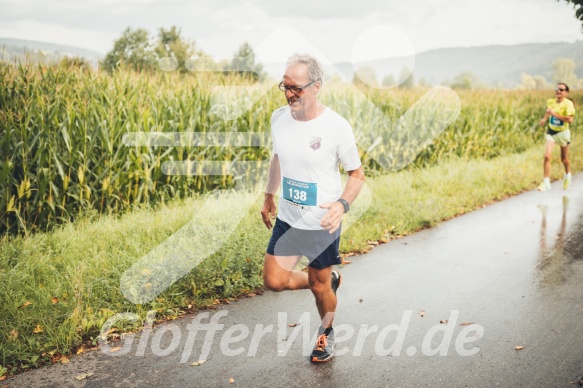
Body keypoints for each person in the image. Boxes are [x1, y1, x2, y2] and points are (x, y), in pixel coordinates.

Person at [260, 53, 365, 363]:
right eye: (285, 86)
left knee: (319, 291)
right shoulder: (278, 118)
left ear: (316, 86)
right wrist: (269, 194)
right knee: (274, 281)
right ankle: (327, 280)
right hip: (289, 219)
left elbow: (356, 175)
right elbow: (278, 157)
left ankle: (325, 336)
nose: (290, 93)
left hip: (322, 223)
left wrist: (342, 205)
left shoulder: (336, 126)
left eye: (296, 87)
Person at [537, 83, 576, 191]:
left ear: (566, 92)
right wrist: (544, 119)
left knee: (564, 159)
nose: (558, 91)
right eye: (557, 89)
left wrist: (555, 115)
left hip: (563, 133)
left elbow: (570, 119)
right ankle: (546, 182)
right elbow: (549, 111)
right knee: (547, 156)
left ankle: (567, 176)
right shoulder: (551, 101)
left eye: (561, 89)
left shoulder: (568, 104)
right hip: (551, 132)